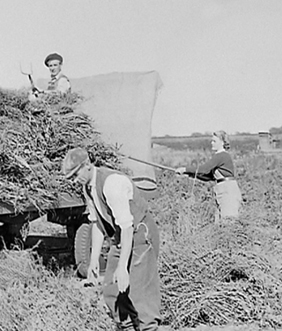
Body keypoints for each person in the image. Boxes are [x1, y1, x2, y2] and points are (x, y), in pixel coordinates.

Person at [62, 147, 161, 331]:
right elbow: (98, 224)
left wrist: (122, 266)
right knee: (112, 292)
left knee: (140, 295)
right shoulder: (88, 188)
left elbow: (127, 226)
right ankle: (128, 327)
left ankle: (148, 328)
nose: (75, 181)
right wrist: (93, 261)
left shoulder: (112, 183)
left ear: (87, 165)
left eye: (76, 175)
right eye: (72, 178)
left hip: (139, 235)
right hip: (120, 237)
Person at [175, 130, 242, 222]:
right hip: (222, 189)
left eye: (214, 141)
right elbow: (208, 177)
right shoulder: (219, 156)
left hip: (228, 191)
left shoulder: (222, 155)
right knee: (220, 222)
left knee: (229, 222)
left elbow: (204, 169)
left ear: (222, 142)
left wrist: (185, 169)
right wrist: (189, 174)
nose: (211, 143)